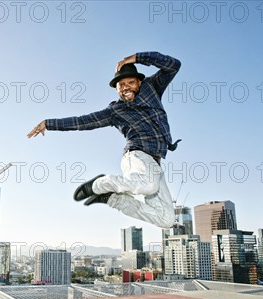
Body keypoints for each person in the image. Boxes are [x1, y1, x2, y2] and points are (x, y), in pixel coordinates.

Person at [27, 51, 181, 228]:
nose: (126, 87)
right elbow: (83, 121)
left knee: (167, 220)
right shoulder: (115, 111)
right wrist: (49, 123)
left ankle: (111, 198)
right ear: (116, 89)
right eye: (121, 85)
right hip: (137, 155)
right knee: (148, 186)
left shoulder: (152, 88)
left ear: (139, 82)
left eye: (130, 82)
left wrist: (137, 58)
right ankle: (98, 185)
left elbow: (173, 65)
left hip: (155, 164)